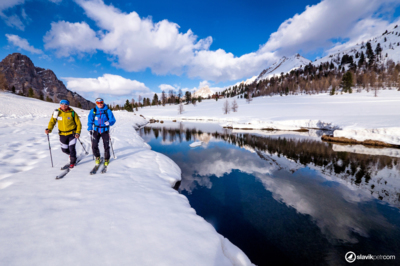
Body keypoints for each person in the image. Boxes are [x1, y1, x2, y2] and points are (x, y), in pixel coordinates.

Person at [45, 99, 82, 168]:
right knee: (64, 150)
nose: (64, 105)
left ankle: (72, 162)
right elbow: (52, 122)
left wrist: (78, 132)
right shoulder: (57, 112)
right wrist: (49, 129)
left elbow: (78, 123)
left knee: (72, 148)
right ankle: (71, 155)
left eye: (66, 104)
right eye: (62, 104)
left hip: (72, 134)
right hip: (62, 134)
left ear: (68, 105)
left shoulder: (72, 113)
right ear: (60, 104)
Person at [87, 98, 116, 166]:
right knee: (94, 145)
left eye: (101, 102)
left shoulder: (107, 111)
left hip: (105, 130)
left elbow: (113, 120)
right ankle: (97, 157)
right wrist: (90, 128)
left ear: (103, 102)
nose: (100, 104)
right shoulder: (93, 111)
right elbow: (90, 120)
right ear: (96, 103)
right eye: (98, 102)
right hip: (96, 130)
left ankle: (106, 159)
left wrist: (109, 122)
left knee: (106, 145)